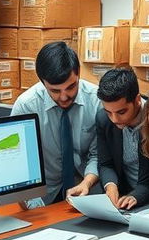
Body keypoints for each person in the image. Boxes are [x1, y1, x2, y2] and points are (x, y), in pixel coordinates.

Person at [11, 41, 100, 204]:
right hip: (42, 194)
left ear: (79, 74)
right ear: (42, 82)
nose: (64, 96)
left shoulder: (96, 100)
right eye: (55, 91)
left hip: (86, 191)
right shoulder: (26, 106)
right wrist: (30, 200)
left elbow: (98, 153)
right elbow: (18, 160)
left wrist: (87, 183)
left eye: (71, 87)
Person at [96, 67, 145, 207]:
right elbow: (106, 163)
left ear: (137, 100)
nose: (114, 119)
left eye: (121, 112)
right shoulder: (103, 120)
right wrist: (111, 186)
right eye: (108, 112)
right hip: (126, 200)